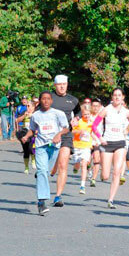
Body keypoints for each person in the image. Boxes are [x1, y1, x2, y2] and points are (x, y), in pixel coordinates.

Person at [21, 91, 69, 216]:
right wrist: (26, 136)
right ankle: (41, 202)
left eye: (48, 99)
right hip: (41, 146)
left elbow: (66, 128)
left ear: (51, 101)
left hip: (54, 147)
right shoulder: (35, 115)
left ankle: (41, 174)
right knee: (42, 171)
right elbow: (32, 129)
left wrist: (59, 134)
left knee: (46, 172)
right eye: (43, 99)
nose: (46, 101)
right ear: (40, 101)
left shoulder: (58, 114)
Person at [92, 88, 129, 209]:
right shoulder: (106, 110)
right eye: (115, 95)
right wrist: (100, 138)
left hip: (120, 143)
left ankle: (111, 199)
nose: (117, 97)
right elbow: (94, 126)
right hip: (107, 143)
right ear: (112, 97)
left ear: (123, 97)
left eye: (119, 95)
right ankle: (102, 173)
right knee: (106, 175)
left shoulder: (127, 112)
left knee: (117, 172)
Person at [50, 75, 80, 207]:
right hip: (50, 135)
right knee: (50, 167)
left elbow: (79, 111)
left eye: (64, 84)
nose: (62, 86)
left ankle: (58, 196)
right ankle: (49, 170)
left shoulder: (72, 100)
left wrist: (76, 119)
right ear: (55, 85)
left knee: (63, 165)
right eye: (59, 84)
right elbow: (38, 112)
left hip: (66, 135)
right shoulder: (48, 98)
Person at [72, 104, 93, 194]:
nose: (87, 116)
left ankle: (82, 186)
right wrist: (79, 131)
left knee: (84, 164)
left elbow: (94, 132)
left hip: (87, 146)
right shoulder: (79, 122)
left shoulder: (92, 123)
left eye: (88, 114)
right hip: (77, 145)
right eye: (85, 114)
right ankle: (75, 167)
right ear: (82, 114)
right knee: (77, 164)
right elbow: (72, 131)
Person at [16, 101, 36, 174]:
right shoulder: (24, 112)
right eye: (27, 106)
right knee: (26, 150)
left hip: (33, 134)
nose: (27, 107)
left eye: (29, 106)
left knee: (32, 148)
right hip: (24, 133)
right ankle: (26, 167)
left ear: (33, 107)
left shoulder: (36, 114)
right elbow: (17, 120)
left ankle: (33, 160)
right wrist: (24, 116)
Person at [89, 98, 103, 187]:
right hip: (88, 140)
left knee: (97, 160)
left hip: (98, 141)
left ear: (100, 107)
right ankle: (88, 169)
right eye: (93, 106)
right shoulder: (88, 116)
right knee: (87, 161)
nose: (95, 108)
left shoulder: (102, 117)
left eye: (97, 106)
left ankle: (93, 179)